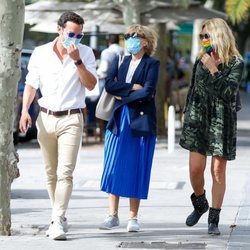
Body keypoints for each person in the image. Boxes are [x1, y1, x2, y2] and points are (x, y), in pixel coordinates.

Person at [19, 11, 97, 240]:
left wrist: (78, 61)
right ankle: (59, 216)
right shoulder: (41, 53)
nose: (75, 39)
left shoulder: (85, 53)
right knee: (50, 173)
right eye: (71, 33)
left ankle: (55, 220)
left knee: (65, 172)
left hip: (72, 118)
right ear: (59, 29)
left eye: (80, 35)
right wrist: (25, 111)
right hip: (45, 117)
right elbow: (31, 84)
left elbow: (91, 85)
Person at [179, 18, 244, 235]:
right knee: (195, 170)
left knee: (217, 170)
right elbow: (194, 90)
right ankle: (200, 203)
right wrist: (187, 116)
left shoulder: (236, 62)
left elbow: (228, 93)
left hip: (221, 121)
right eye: (202, 36)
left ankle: (213, 219)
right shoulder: (201, 60)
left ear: (219, 36)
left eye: (207, 36)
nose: (204, 40)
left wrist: (214, 70)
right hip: (198, 121)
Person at [99, 24, 160, 232]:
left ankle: (133, 217)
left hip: (140, 121)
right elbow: (108, 85)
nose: (129, 40)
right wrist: (132, 88)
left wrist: (123, 94)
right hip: (118, 118)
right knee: (113, 163)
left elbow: (149, 92)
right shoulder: (122, 60)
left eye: (133, 36)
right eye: (127, 36)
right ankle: (112, 214)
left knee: (137, 165)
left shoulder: (152, 64)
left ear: (144, 41)